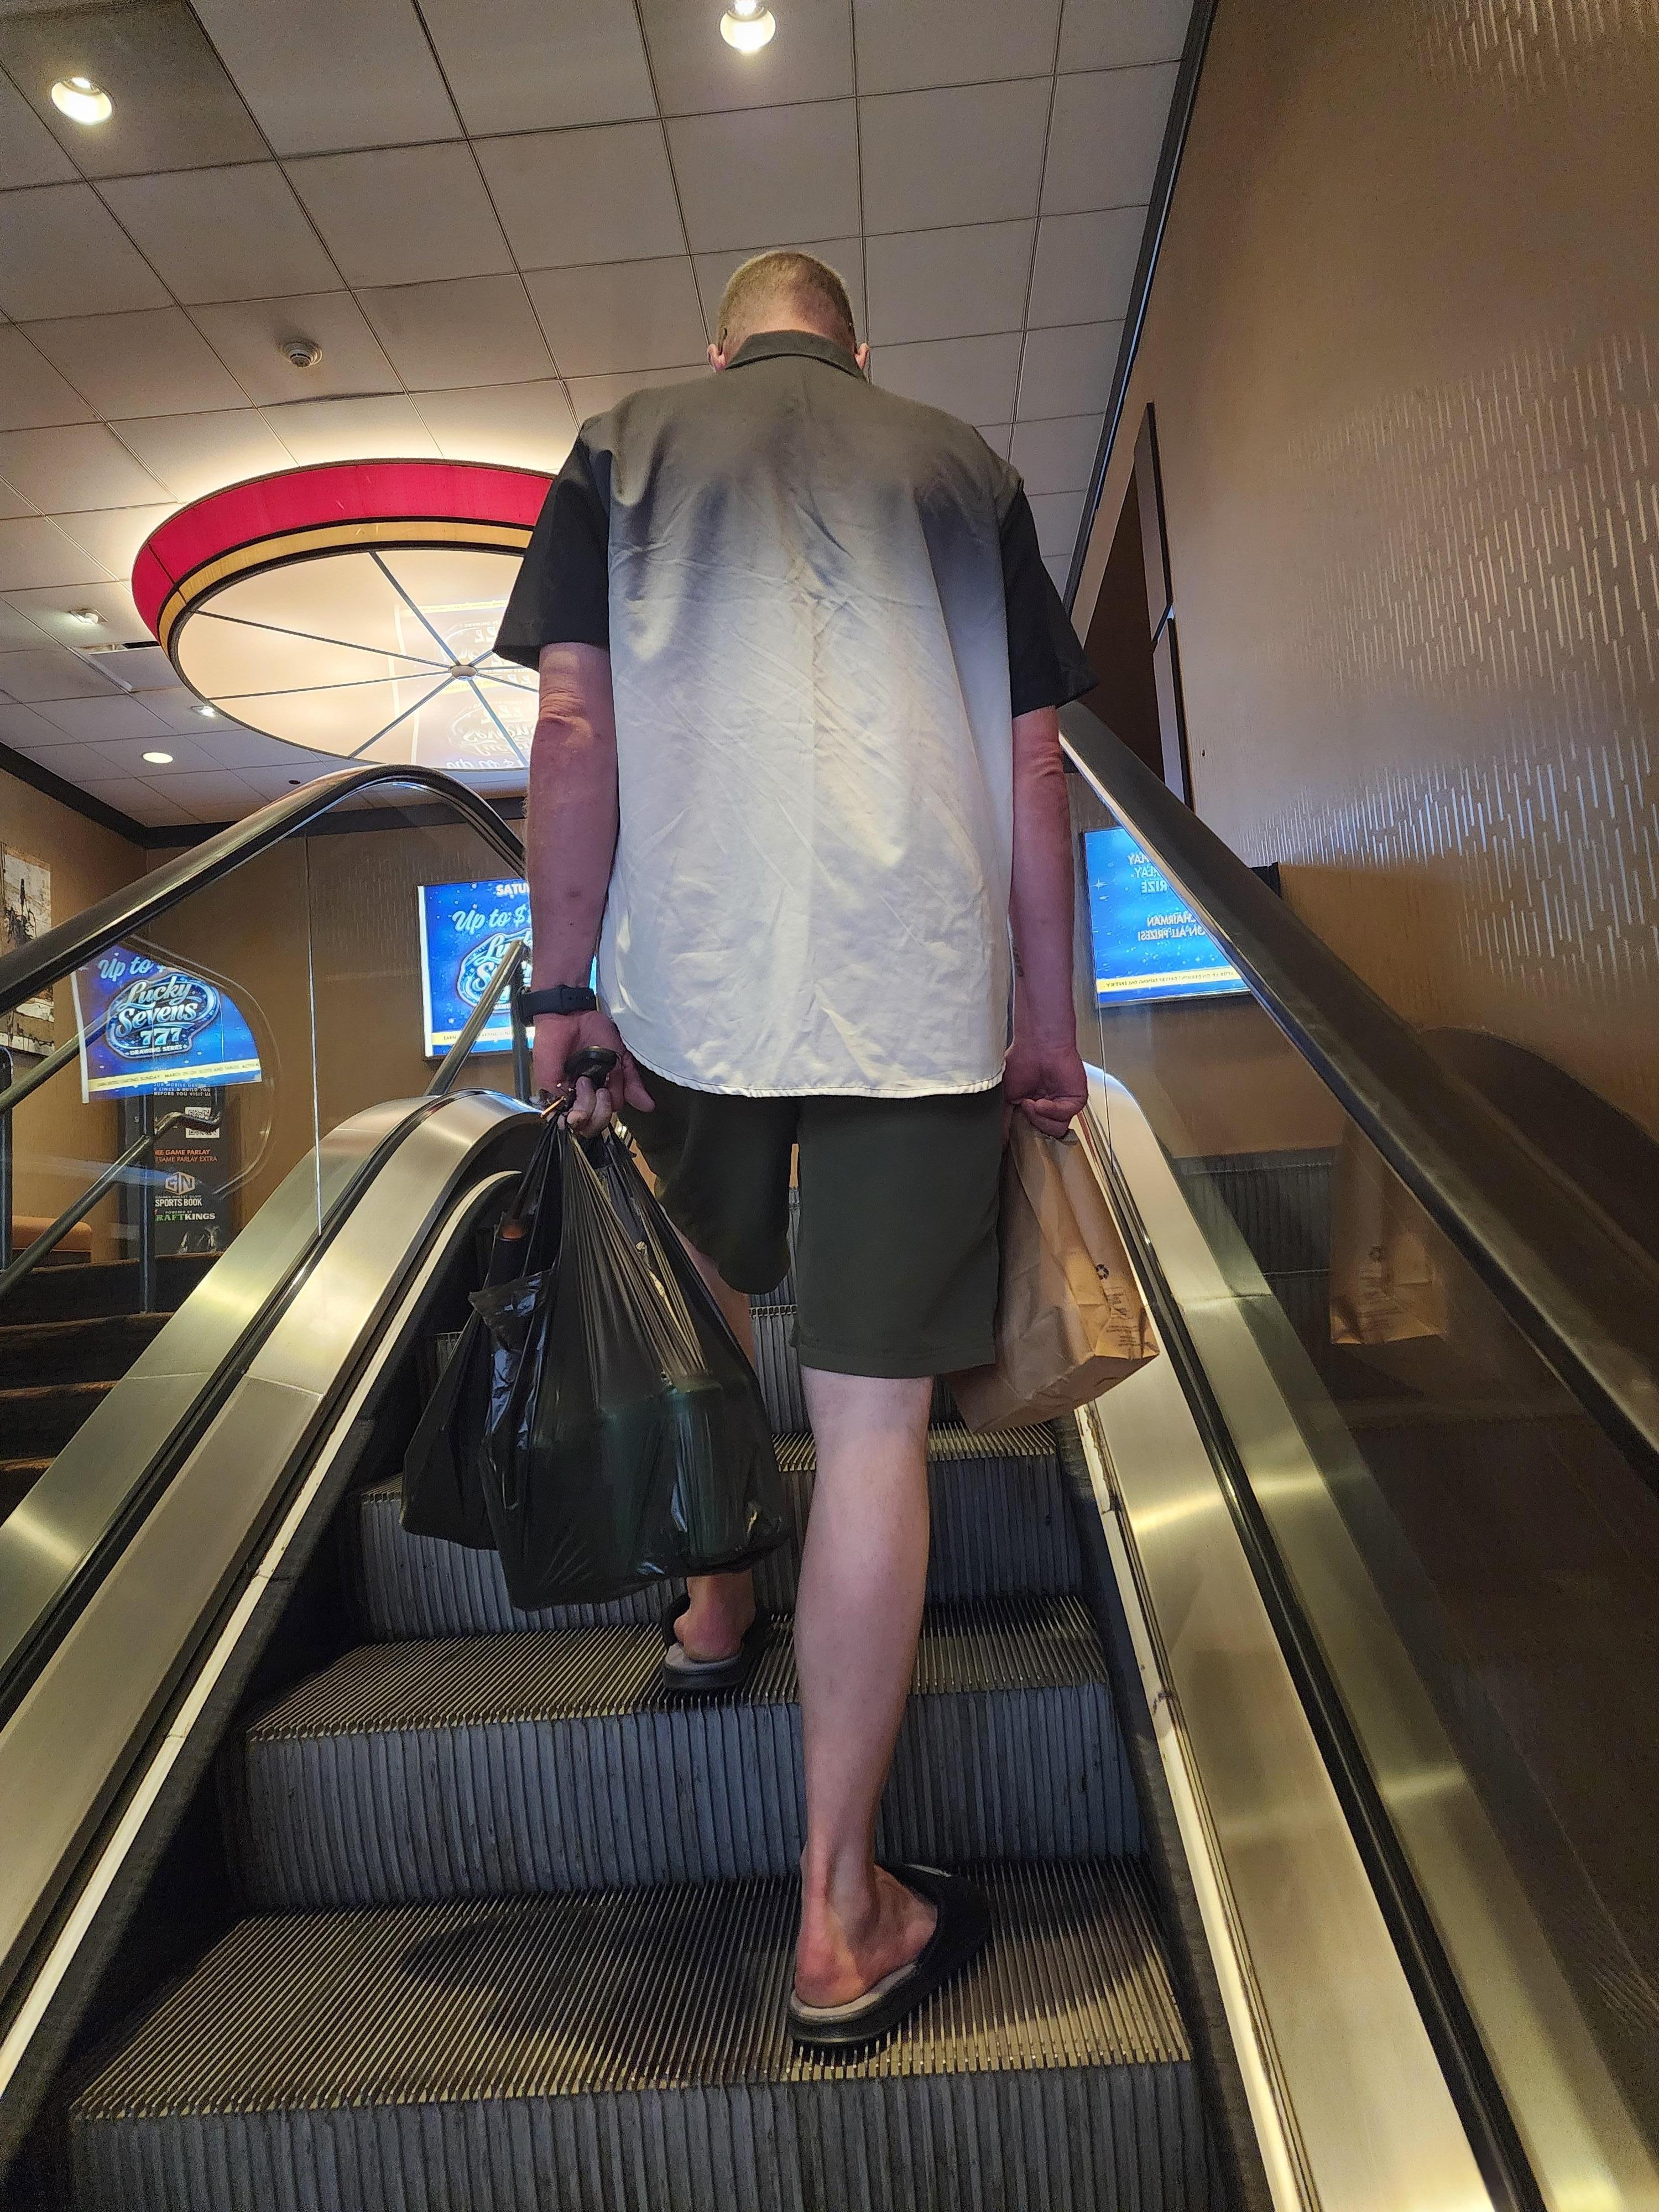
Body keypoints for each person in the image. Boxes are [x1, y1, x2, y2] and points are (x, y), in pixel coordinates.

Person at [495, 249, 1094, 2048]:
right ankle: (841, 1910)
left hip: (696, 969)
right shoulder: (964, 468)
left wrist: (563, 984)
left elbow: (573, 723)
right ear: (860, 346)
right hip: (921, 985)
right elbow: (1039, 769)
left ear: (722, 345)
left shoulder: (624, 445)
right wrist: (1048, 1017)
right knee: (875, 1424)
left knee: (699, 1279)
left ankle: (712, 1602)